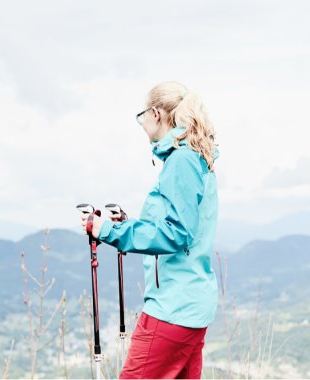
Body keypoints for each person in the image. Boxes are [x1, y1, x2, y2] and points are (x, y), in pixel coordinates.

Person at [80, 81, 219, 379]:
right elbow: (179, 225)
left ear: (156, 113)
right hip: (191, 306)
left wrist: (109, 232)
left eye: (142, 115)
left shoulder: (181, 160)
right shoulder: (192, 156)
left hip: (172, 307)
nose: (142, 123)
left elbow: (176, 233)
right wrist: (125, 225)